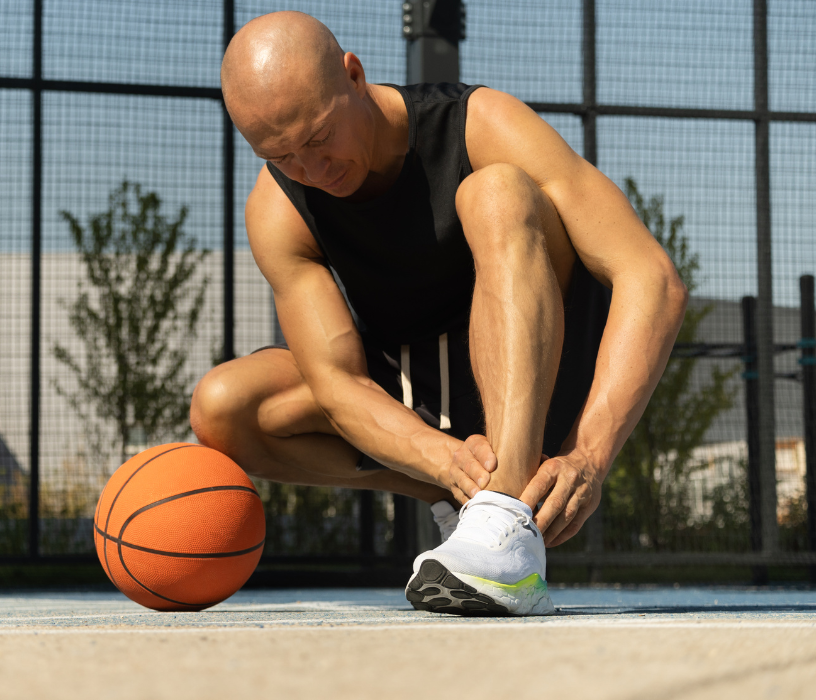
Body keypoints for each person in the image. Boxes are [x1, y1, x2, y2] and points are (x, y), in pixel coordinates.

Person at [192, 11, 687, 615]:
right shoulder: (279, 208)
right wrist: (440, 458)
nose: (311, 170)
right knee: (226, 406)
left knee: (495, 192)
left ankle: (506, 521)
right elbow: (337, 383)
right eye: (280, 154)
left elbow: (650, 277)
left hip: (547, 376)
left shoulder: (482, 124)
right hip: (427, 403)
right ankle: (470, 503)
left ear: (353, 75)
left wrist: (590, 454)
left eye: (319, 137)